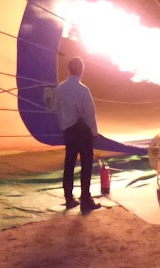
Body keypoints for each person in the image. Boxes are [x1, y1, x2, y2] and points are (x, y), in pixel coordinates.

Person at [54, 57, 102, 211]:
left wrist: (64, 126)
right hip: (83, 131)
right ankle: (85, 199)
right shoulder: (83, 90)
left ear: (69, 69)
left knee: (69, 164)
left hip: (69, 131)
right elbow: (89, 113)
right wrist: (94, 132)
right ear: (81, 69)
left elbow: (57, 109)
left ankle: (69, 198)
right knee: (86, 165)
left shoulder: (60, 88)